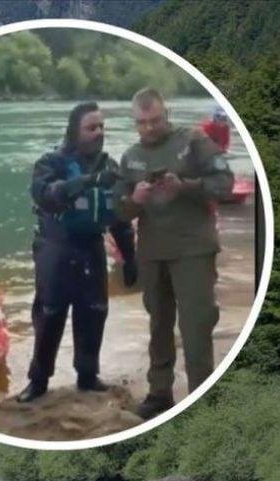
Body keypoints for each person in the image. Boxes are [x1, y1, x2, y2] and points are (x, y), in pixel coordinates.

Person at [114, 88, 233, 419]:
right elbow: (120, 213)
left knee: (196, 322)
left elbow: (224, 183)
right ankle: (160, 392)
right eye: (142, 123)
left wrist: (185, 186)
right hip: (152, 252)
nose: (149, 128)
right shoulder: (130, 157)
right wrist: (134, 198)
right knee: (159, 323)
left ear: (167, 114)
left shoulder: (193, 141)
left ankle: (201, 394)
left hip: (193, 247)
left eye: (155, 121)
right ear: (134, 122)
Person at [16, 101, 136, 403]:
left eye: (101, 127)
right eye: (91, 127)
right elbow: (45, 196)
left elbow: (119, 218)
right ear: (75, 130)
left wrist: (130, 258)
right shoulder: (50, 162)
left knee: (94, 311)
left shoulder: (110, 167)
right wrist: (85, 182)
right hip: (55, 247)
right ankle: (38, 380)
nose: (98, 133)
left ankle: (87, 376)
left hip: (91, 247)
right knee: (50, 313)